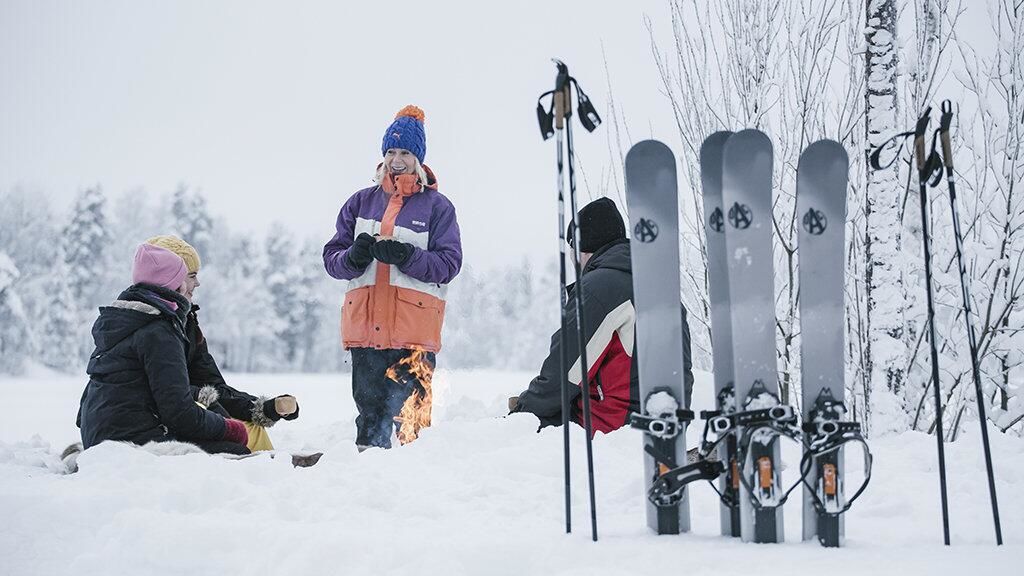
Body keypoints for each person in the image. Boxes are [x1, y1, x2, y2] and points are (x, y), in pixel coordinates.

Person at [323, 105, 462, 450]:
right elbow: (332, 260)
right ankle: (366, 478)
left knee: (411, 427)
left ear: (418, 158)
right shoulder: (359, 203)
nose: (396, 160)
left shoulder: (438, 207)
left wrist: (407, 256)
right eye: (391, 152)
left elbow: (449, 264)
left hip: (413, 336)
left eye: (405, 153)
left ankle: (414, 480)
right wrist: (352, 257)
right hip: (365, 334)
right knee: (369, 421)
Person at [508, 197, 694, 435]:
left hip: (613, 426)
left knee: (523, 432)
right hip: (664, 424)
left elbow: (565, 373)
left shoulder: (599, 288)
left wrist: (522, 412)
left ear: (582, 248)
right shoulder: (660, 287)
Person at [77, 244, 250, 455]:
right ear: (175, 285)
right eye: (186, 278)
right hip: (132, 444)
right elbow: (179, 413)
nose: (193, 285)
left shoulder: (126, 320)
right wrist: (229, 428)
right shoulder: (159, 332)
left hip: (99, 437)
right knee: (236, 451)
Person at [145, 235, 299, 453]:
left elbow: (212, 386)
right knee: (236, 438)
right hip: (158, 423)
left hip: (186, 413)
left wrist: (264, 408)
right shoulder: (153, 325)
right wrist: (217, 416)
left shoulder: (187, 323)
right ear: (172, 278)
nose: (198, 283)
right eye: (192, 275)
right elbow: (167, 394)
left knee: (253, 429)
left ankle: (271, 470)